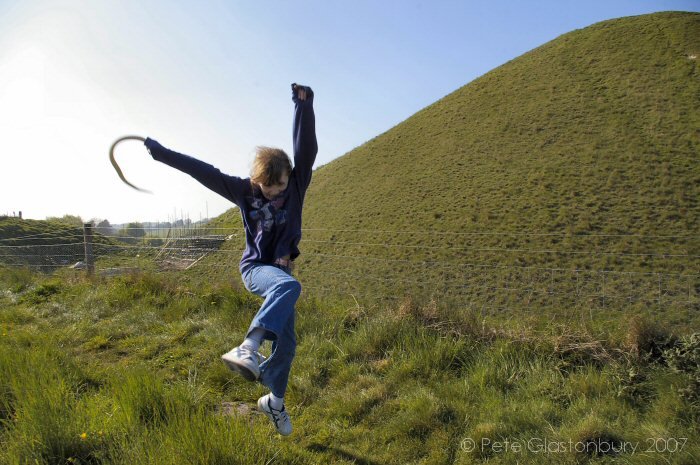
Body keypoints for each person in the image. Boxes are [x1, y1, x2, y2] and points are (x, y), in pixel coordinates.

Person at [143, 83, 317, 436]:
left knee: (289, 344)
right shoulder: (242, 191)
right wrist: (163, 154)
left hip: (280, 275)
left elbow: (306, 149)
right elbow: (202, 170)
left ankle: (275, 402)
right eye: (269, 189)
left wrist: (303, 106)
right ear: (257, 181)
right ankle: (249, 345)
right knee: (289, 286)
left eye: (281, 187)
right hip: (256, 270)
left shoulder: (297, 184)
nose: (276, 193)